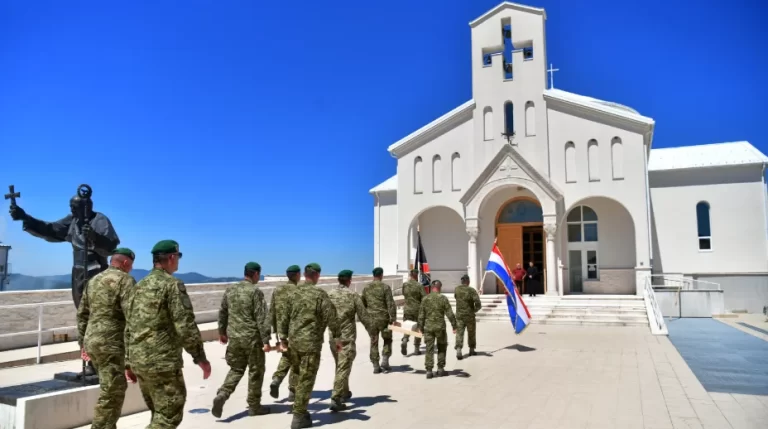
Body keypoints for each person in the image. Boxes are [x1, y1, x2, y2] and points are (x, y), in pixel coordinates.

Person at [10, 190, 120, 376]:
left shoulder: (100, 220)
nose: (71, 211)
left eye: (74, 207)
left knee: (99, 319)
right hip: (78, 274)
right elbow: (51, 229)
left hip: (96, 273)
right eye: (71, 208)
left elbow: (111, 247)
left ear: (87, 207)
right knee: (84, 319)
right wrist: (24, 217)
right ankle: (90, 362)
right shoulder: (73, 221)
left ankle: (104, 362)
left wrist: (93, 236)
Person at [123, 240, 211, 428]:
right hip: (162, 363)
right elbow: (185, 325)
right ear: (171, 257)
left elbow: (129, 325)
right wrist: (199, 357)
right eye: (178, 257)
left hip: (140, 361)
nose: (178, 261)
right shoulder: (172, 285)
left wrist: (128, 362)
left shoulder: (138, 286)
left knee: (158, 412)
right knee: (169, 415)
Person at [76, 248, 136, 429]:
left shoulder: (93, 281)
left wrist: (83, 343)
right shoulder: (126, 281)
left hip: (93, 342)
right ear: (125, 263)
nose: (131, 268)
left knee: (107, 387)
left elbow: (82, 314)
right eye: (131, 265)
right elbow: (133, 317)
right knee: (113, 392)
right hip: (112, 344)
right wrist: (131, 358)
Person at [278, 263, 341, 429]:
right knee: (307, 379)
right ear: (316, 275)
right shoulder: (319, 294)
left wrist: (283, 338)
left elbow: (284, 317)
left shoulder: (293, 292)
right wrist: (337, 338)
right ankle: (299, 416)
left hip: (293, 342)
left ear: (305, 275)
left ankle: (298, 407)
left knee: (298, 375)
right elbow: (331, 317)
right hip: (310, 345)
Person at [212, 262, 272, 418]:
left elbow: (223, 312)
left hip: (235, 338)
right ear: (256, 274)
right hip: (252, 339)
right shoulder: (255, 292)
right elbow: (262, 318)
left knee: (236, 369)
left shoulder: (230, 290)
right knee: (256, 372)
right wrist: (266, 340)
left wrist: (222, 332)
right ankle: (254, 406)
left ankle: (223, 394)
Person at [327, 269, 371, 412]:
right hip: (346, 339)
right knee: (343, 367)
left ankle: (344, 392)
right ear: (349, 281)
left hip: (333, 339)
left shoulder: (329, 295)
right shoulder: (352, 295)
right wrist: (373, 332)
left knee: (340, 365)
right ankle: (336, 398)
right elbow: (364, 316)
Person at [269, 265, 302, 402]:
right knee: (296, 360)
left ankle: (277, 379)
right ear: (297, 275)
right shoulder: (298, 291)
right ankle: (293, 391)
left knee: (286, 356)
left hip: (281, 331)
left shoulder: (277, 290)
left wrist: (275, 331)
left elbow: (272, 310)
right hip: (295, 330)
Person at [417, 280, 457, 379]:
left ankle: (429, 370)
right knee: (442, 347)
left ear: (431, 287)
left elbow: (421, 315)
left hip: (429, 327)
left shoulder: (425, 299)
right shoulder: (443, 298)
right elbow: (450, 313)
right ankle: (440, 369)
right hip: (440, 327)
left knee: (429, 348)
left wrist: (420, 327)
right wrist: (454, 326)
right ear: (440, 287)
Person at [361, 267, 396, 374]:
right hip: (384, 319)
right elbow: (390, 303)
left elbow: (363, 303)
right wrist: (393, 318)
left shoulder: (366, 288)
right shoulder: (385, 287)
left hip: (371, 319)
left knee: (374, 341)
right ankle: (385, 360)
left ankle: (376, 365)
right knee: (387, 339)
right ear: (381, 275)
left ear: (373, 275)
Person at [453, 274, 481, 360]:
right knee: (471, 333)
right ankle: (471, 350)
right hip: (470, 316)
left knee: (459, 333)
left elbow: (455, 297)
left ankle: (458, 349)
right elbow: (478, 304)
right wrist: (474, 311)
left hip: (459, 316)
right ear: (468, 281)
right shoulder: (471, 290)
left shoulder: (457, 289)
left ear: (462, 281)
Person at [400, 269, 426, 356]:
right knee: (418, 328)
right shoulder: (419, 286)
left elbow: (404, 294)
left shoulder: (405, 285)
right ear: (417, 275)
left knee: (408, 326)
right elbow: (424, 298)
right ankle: (416, 348)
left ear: (410, 275)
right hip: (417, 309)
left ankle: (405, 339)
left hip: (407, 309)